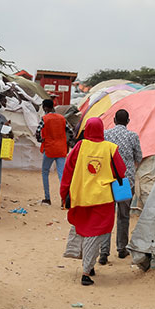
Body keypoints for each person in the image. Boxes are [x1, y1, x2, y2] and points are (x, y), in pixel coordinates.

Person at [60, 118, 126, 286]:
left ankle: (87, 263)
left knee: (83, 229)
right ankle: (86, 271)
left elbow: (68, 169)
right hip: (103, 199)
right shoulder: (110, 148)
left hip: (80, 197)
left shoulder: (79, 147)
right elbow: (121, 170)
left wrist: (64, 193)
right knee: (96, 233)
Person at [102, 109, 142, 262]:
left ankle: (104, 252)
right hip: (126, 181)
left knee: (107, 216)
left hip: (107, 179)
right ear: (128, 121)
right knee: (123, 216)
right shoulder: (132, 136)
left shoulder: (106, 135)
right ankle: (121, 248)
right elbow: (139, 156)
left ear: (114, 119)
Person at [36, 99, 74, 205]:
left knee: (45, 172)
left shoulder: (45, 118)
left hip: (49, 149)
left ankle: (47, 198)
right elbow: (70, 132)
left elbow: (37, 132)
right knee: (61, 174)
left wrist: (41, 140)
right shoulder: (62, 118)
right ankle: (64, 199)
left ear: (45, 108)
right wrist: (68, 142)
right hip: (61, 149)